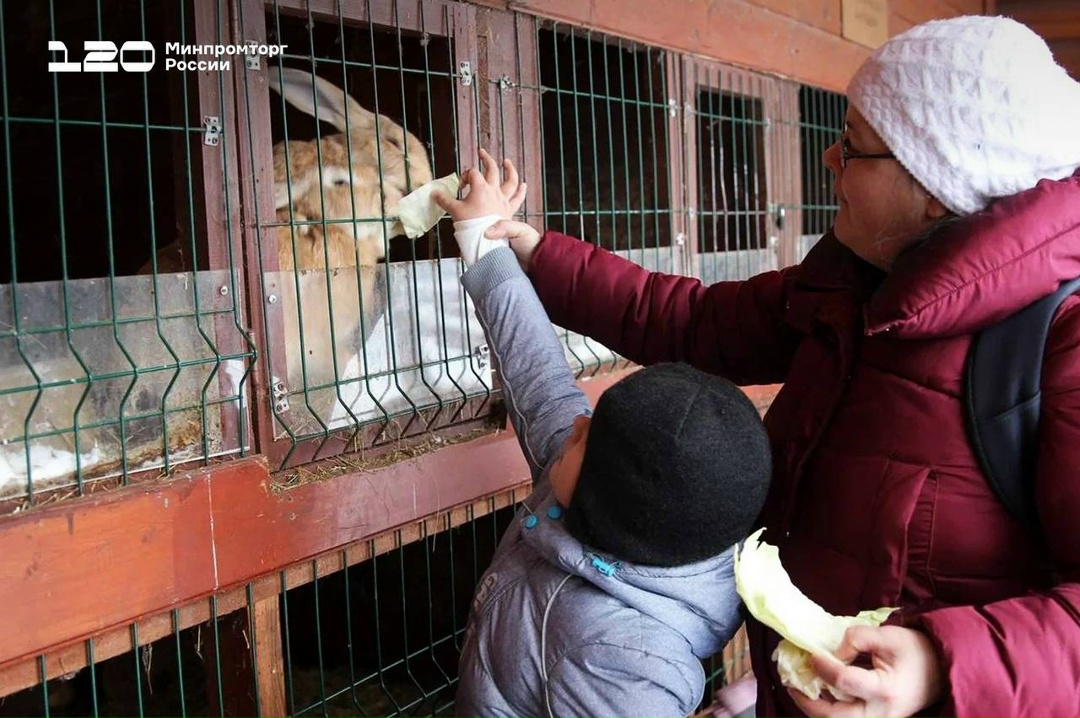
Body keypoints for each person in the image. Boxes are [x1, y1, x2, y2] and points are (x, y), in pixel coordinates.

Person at [465, 15, 1080, 718]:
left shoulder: (1058, 343)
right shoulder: (853, 283)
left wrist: (941, 666)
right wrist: (537, 255)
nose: (830, 156)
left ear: (935, 181)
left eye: (855, 144)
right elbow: (693, 320)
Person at [433, 151, 773, 718]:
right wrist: (483, 241)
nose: (577, 423)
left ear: (610, 500)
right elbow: (539, 374)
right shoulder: (585, 483)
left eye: (589, 436)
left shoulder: (628, 661)